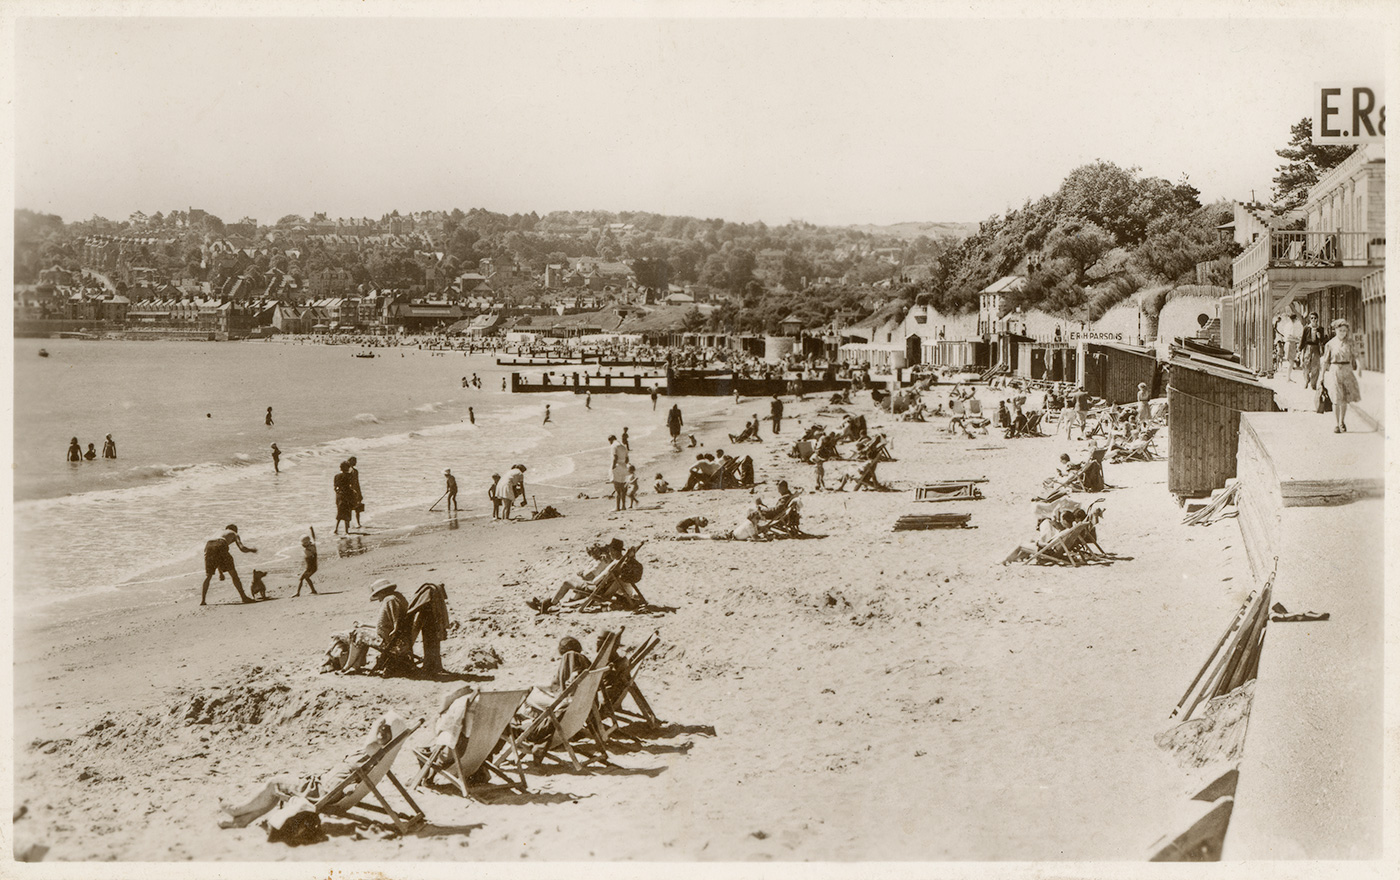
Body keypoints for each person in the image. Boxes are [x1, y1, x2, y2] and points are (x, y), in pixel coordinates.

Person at [1320, 318, 1362, 433]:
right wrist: (1322, 376)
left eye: (1344, 330)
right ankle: (1336, 424)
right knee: (1336, 399)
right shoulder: (1330, 344)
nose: (1343, 332)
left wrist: (1359, 367)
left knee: (1344, 399)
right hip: (1335, 370)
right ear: (1335, 330)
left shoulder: (1350, 342)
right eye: (1340, 330)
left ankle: (1342, 422)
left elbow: (1356, 355)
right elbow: (1325, 361)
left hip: (1347, 370)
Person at [201, 524, 258, 605]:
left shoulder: (219, 532)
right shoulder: (234, 533)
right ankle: (243, 597)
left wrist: (220, 573)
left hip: (208, 546)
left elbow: (216, 555)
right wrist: (251, 550)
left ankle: (203, 600)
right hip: (221, 544)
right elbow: (242, 548)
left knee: (208, 576)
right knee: (234, 575)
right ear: (235, 530)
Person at [369, 579, 413, 676]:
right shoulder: (397, 597)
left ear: (383, 592)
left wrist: (395, 631)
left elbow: (396, 618)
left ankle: (349, 666)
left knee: (355, 634)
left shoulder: (390, 600)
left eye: (378, 595)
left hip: (389, 640)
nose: (379, 599)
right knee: (358, 631)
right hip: (395, 638)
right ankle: (350, 665)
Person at [1300, 312, 1328, 390]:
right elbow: (1303, 339)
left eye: (1315, 318)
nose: (1313, 320)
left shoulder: (1320, 329)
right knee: (1306, 365)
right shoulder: (1306, 328)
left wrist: (1320, 337)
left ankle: (1313, 383)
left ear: (1317, 319)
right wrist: (1300, 349)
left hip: (1316, 347)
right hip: (1308, 347)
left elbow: (1323, 341)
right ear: (1309, 319)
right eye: (1312, 318)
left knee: (1315, 366)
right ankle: (1306, 379)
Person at [334, 461, 356, 534]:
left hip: (339, 496)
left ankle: (336, 529)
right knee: (347, 513)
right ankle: (346, 531)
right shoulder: (349, 476)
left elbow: (335, 488)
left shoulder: (336, 476)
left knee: (339, 514)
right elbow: (351, 485)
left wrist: (339, 493)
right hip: (347, 496)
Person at [609, 434, 629, 511]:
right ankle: (623, 506)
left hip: (617, 466)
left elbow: (615, 457)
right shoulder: (623, 446)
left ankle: (617, 507)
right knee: (623, 488)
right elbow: (627, 460)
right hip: (624, 466)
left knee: (617, 488)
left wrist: (613, 467)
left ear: (610, 440)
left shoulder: (614, 446)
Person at [1284, 312, 1303, 381]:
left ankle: (1288, 377)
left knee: (1291, 362)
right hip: (1290, 343)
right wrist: (1297, 339)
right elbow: (1288, 337)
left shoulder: (1291, 325)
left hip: (1292, 343)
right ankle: (1288, 378)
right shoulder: (1289, 326)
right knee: (1291, 362)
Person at [347, 456, 364, 526]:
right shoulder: (351, 471)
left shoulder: (352, 471)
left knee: (351, 508)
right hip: (353, 491)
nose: (356, 463)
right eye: (354, 461)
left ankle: (350, 524)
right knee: (355, 508)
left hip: (353, 491)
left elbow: (357, 482)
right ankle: (357, 523)